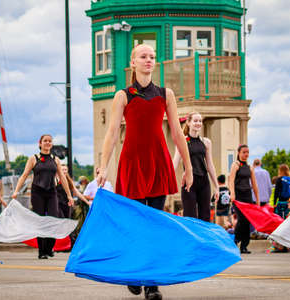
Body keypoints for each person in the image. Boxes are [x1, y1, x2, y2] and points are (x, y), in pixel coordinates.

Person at [96, 44, 193, 300]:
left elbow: (177, 133)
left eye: (152, 57)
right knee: (136, 224)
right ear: (133, 62)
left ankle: (151, 284)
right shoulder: (123, 95)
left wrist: (188, 167)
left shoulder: (165, 94)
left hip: (158, 161)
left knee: (154, 223)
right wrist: (103, 166)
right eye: (143, 56)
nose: (149, 60)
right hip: (132, 163)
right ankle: (134, 272)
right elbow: (112, 133)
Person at [12, 134, 74, 260]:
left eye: (50, 141)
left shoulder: (55, 159)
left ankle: (49, 247)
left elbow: (62, 177)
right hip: (37, 192)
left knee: (53, 219)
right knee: (40, 221)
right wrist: (16, 191)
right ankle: (42, 251)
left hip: (51, 192)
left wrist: (69, 195)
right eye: (45, 141)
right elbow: (24, 175)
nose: (47, 143)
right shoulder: (34, 158)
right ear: (40, 143)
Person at [173, 112, 219, 222]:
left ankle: (204, 239)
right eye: (195, 121)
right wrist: (167, 180)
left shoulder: (206, 142)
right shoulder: (182, 141)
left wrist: (217, 186)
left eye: (200, 121)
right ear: (188, 122)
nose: (198, 123)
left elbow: (210, 164)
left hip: (204, 182)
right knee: (190, 216)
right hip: (189, 183)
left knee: (205, 215)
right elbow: (175, 162)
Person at [228, 144, 260, 254]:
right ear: (239, 153)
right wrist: (232, 194)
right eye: (244, 152)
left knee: (247, 221)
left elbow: (255, 185)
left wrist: (258, 200)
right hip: (238, 196)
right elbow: (231, 180)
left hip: (248, 197)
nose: (246, 154)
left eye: (247, 152)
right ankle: (235, 240)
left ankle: (244, 246)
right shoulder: (235, 165)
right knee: (241, 220)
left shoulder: (250, 167)